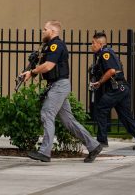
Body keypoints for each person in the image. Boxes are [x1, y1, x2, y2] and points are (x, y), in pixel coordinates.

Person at [20, 20, 102, 162]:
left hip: (59, 86)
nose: (43, 31)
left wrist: (32, 72)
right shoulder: (47, 46)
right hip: (56, 85)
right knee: (68, 121)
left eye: (45, 29)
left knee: (47, 113)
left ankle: (45, 152)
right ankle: (93, 146)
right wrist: (30, 71)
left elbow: (48, 66)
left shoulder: (56, 45)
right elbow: (43, 65)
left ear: (52, 31)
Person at [90, 32, 135, 150]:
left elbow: (112, 71)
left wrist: (99, 82)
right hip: (121, 88)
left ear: (100, 43)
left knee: (101, 108)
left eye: (93, 43)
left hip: (117, 89)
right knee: (125, 117)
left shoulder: (105, 53)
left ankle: (102, 141)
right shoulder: (104, 54)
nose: (91, 45)